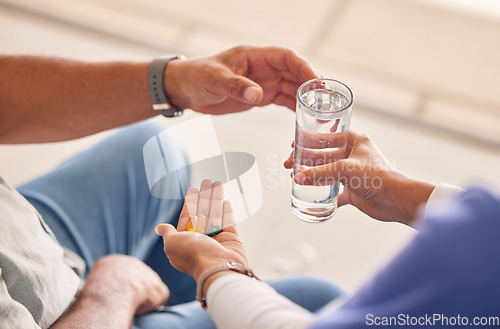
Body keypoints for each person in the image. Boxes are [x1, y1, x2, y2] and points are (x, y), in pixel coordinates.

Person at [0, 46, 342, 328]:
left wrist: (175, 81)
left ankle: (190, 300)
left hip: (25, 246)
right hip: (71, 313)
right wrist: (116, 288)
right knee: (320, 302)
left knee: (157, 153)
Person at [156, 130, 500, 329]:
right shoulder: (478, 240)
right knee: (317, 292)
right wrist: (404, 194)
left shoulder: (471, 257)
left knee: (147, 146)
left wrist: (217, 270)